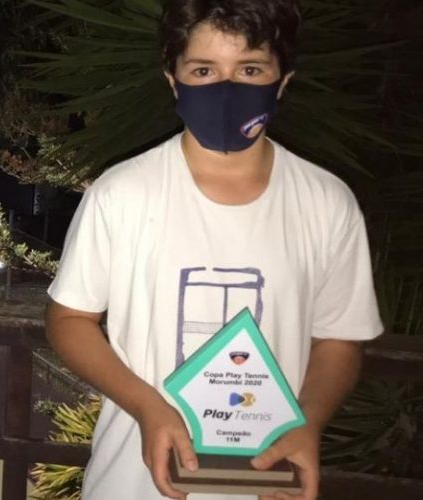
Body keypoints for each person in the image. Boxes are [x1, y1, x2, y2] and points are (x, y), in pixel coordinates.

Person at [45, 1, 383, 499]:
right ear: (173, 80)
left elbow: (339, 338)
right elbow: (69, 320)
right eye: (203, 70)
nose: (226, 88)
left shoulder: (327, 203)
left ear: (282, 81)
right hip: (131, 485)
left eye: (250, 70)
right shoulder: (121, 194)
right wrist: (146, 406)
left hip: (270, 483)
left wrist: (308, 421)